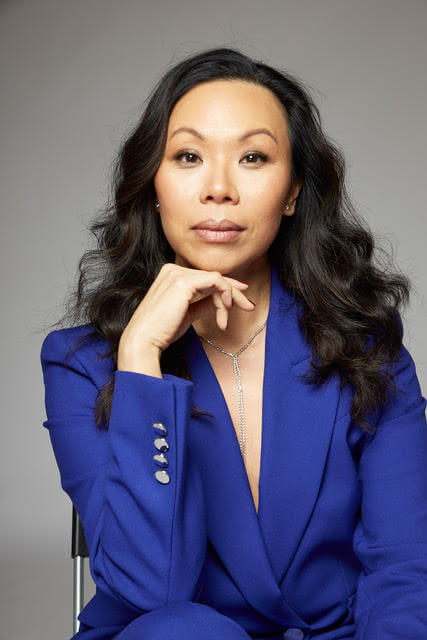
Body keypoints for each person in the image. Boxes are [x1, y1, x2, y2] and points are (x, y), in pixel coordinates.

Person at [40, 47, 427, 640]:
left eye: (252, 157)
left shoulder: (366, 349)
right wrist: (140, 359)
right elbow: (149, 591)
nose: (218, 188)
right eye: (189, 156)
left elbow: (406, 571)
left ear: (292, 192)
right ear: (153, 185)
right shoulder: (82, 364)